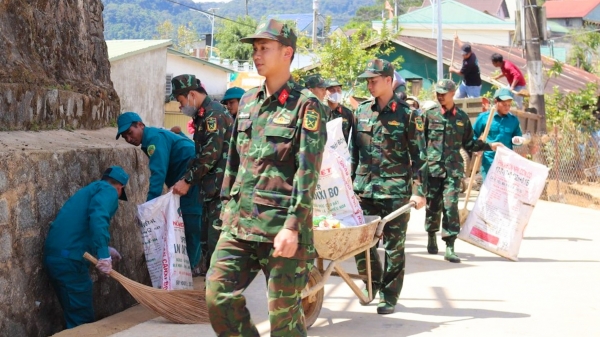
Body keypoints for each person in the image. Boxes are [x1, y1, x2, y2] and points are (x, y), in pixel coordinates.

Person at [206, 19, 327, 336]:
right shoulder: (246, 103)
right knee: (217, 296)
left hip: (282, 231)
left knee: (284, 324)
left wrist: (292, 226)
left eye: (264, 48)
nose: (256, 55)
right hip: (241, 226)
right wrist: (226, 208)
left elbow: (308, 173)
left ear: (287, 52)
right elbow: (233, 161)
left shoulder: (306, 106)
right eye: (255, 49)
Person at [351, 58, 427, 315]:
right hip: (364, 191)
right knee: (361, 245)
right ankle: (373, 283)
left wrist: (419, 192)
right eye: (368, 81)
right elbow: (353, 154)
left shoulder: (408, 115)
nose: (370, 85)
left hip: (395, 193)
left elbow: (419, 158)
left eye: (374, 80)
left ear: (388, 81)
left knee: (394, 248)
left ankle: (389, 296)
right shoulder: (360, 112)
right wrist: (348, 187)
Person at [423, 80, 505, 263]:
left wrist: (490, 145)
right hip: (433, 169)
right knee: (432, 206)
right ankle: (431, 234)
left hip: (453, 170)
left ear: (453, 93)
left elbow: (469, 143)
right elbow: (419, 142)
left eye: (443, 93)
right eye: (438, 93)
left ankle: (450, 245)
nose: (440, 96)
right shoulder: (429, 115)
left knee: (450, 206)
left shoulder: (462, 118)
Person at [44, 166, 129, 328]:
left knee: (74, 314)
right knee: (81, 320)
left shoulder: (90, 190)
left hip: (58, 256)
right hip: (70, 261)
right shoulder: (108, 190)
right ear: (120, 188)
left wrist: (102, 249)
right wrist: (103, 255)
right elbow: (98, 218)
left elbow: (80, 229)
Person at [116, 112, 203, 270]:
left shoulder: (153, 139)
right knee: (186, 223)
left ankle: (190, 269)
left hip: (192, 177)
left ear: (141, 125)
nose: (129, 139)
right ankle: (190, 267)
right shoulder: (154, 136)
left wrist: (149, 207)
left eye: (130, 133)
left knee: (191, 222)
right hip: (186, 175)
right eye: (124, 137)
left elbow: (158, 173)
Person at [170, 74, 234, 276]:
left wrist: (187, 180)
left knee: (217, 246)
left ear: (191, 94)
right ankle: (212, 292)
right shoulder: (203, 116)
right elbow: (199, 154)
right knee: (207, 243)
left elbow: (209, 155)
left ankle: (220, 296)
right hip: (211, 191)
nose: (181, 107)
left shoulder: (213, 115)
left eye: (181, 101)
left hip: (222, 191)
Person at [473, 88, 526, 181]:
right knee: (489, 189)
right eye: (504, 104)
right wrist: (476, 148)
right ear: (496, 102)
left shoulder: (513, 120)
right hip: (489, 160)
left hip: (506, 162)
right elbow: (472, 135)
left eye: (509, 105)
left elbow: (518, 139)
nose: (507, 107)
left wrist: (519, 140)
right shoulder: (484, 117)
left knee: (502, 191)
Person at [449, 34, 482, 98]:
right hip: (465, 84)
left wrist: (452, 69)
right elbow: (462, 46)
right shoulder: (470, 52)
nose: (463, 56)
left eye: (465, 54)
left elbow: (461, 73)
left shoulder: (469, 62)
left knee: (472, 105)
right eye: (462, 54)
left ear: (470, 52)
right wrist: (457, 39)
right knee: (455, 100)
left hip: (473, 86)